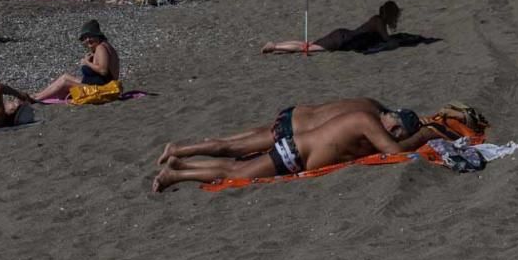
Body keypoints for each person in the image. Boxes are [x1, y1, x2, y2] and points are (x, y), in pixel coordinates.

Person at [152, 107, 422, 191]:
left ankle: (181, 165)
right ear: (389, 115)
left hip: (297, 148)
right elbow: (396, 154)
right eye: (395, 127)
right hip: (295, 151)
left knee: (234, 162)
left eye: (399, 133)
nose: (393, 133)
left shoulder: (368, 119)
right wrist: (424, 137)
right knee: (235, 171)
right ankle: (176, 174)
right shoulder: (368, 120)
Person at [157, 97, 402, 163]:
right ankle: (179, 149)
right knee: (230, 149)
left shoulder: (371, 104)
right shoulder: (369, 122)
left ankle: (204, 142)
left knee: (234, 140)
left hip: (294, 113)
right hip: (291, 132)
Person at [261, 1, 401, 54]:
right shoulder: (379, 22)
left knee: (308, 45)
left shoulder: (377, 19)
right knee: (307, 48)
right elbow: (387, 40)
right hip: (342, 40)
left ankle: (278, 45)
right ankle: (274, 46)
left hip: (342, 35)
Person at [31, 20, 120, 101]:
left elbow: (103, 71)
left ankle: (36, 99)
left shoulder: (101, 48)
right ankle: (37, 95)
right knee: (65, 77)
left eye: (90, 36)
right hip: (97, 85)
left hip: (102, 89)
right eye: (85, 38)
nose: (87, 40)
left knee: (64, 82)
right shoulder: (102, 46)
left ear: (98, 35)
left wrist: (87, 63)